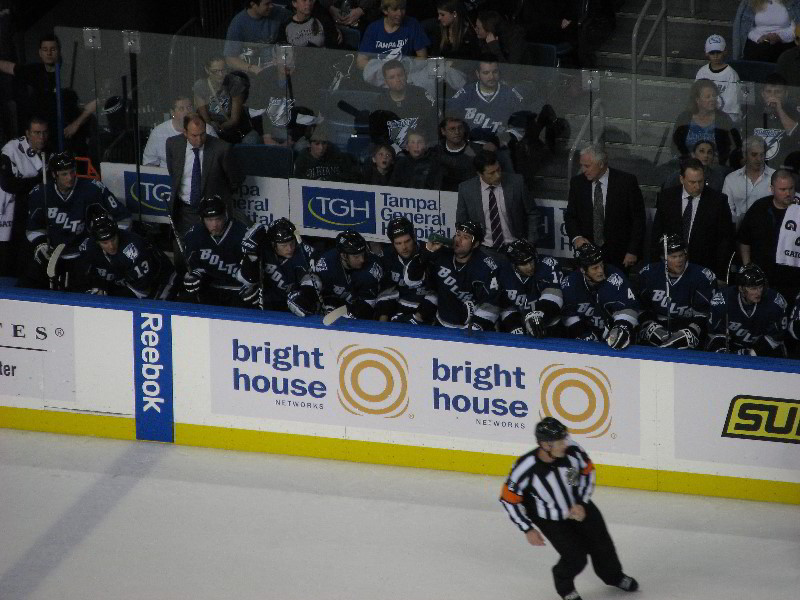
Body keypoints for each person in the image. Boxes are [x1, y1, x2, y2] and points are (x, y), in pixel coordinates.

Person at [499, 416, 639, 600]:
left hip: (579, 506)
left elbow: (588, 472)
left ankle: (613, 576)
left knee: (603, 545)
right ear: (545, 445)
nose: (565, 443)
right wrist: (527, 528)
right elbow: (508, 499)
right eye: (560, 441)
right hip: (550, 518)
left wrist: (582, 501)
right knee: (575, 557)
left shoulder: (573, 450)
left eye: (565, 438)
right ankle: (565, 588)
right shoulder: (525, 467)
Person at [24, 151, 130, 290]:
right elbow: (33, 228)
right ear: (54, 175)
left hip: (85, 255)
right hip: (53, 256)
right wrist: (41, 244)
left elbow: (124, 218)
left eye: (72, 172)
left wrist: (103, 242)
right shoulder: (40, 193)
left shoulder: (92, 189)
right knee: (28, 284)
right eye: (64, 174)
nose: (70, 177)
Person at [0, 33, 96, 154]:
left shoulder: (73, 74)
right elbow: (9, 67)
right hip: (46, 138)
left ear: (59, 51)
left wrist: (76, 124)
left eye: (53, 49)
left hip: (70, 137)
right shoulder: (35, 71)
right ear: (40, 53)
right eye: (45, 50)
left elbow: (96, 101)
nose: (49, 53)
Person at [405, 220, 502, 330]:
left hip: (471, 330)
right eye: (458, 234)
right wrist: (427, 252)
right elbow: (411, 280)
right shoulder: (441, 255)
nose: (458, 240)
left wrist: (474, 327)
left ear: (475, 244)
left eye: (465, 237)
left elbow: (492, 306)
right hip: (441, 324)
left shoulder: (485, 267)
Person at [564, 143, 646, 270]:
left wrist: (633, 251)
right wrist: (577, 237)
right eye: (582, 165)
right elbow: (571, 216)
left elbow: (638, 219)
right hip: (587, 253)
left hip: (619, 254)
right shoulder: (577, 183)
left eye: (587, 166)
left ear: (601, 164)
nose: (583, 169)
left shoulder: (626, 182)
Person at [651, 158, 735, 278]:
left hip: (704, 267)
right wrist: (655, 266)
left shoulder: (718, 201)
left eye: (700, 181)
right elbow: (657, 233)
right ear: (682, 179)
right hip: (670, 267)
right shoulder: (667, 197)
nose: (697, 186)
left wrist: (720, 274)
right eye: (692, 182)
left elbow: (725, 240)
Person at [166, 113, 243, 236]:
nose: (199, 139)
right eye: (194, 135)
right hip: (184, 211)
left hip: (213, 212)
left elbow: (235, 179)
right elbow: (173, 173)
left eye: (202, 134)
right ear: (185, 133)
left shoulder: (221, 148)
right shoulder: (173, 144)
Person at [637, 234, 717, 349]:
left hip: (689, 325)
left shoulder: (702, 277)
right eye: (673, 257)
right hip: (657, 324)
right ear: (662, 257)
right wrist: (650, 324)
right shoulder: (648, 274)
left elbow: (706, 315)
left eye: (681, 255)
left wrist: (690, 330)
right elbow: (641, 308)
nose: (679, 260)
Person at [78, 206, 176, 300]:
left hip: (161, 281)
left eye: (113, 239)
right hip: (124, 284)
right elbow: (89, 277)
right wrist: (98, 287)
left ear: (117, 233)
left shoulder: (133, 249)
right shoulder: (88, 248)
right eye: (105, 242)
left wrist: (109, 294)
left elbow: (144, 291)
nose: (111, 246)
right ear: (96, 241)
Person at [288, 230, 384, 319]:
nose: (362, 260)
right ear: (343, 256)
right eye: (356, 256)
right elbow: (314, 281)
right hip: (333, 301)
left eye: (363, 254)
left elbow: (368, 305)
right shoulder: (327, 262)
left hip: (359, 308)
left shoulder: (371, 268)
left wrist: (348, 313)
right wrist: (305, 296)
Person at [560, 242, 640, 350]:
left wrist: (621, 327)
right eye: (595, 268)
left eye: (601, 265)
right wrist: (582, 333)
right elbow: (568, 314)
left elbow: (629, 308)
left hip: (613, 335)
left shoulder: (615, 278)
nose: (601, 271)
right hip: (588, 335)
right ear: (583, 270)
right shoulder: (571, 283)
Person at [456, 149, 539, 250]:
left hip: (515, 246)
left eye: (498, 169)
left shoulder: (517, 183)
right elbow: (462, 222)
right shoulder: (466, 189)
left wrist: (530, 242)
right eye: (491, 173)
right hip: (483, 249)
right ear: (479, 174)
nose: (497, 175)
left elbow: (532, 212)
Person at [737, 168, 800, 302]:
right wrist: (748, 268)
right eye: (783, 190)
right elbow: (744, 240)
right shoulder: (759, 208)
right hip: (764, 280)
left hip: (794, 279)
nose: (788, 193)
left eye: (791, 188)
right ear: (772, 189)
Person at [181, 195, 251, 307]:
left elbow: (253, 269)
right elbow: (193, 267)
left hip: (237, 290)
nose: (214, 225)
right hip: (210, 288)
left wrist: (252, 284)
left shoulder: (242, 234)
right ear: (202, 219)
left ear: (225, 216)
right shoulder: (193, 235)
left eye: (218, 219)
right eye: (209, 220)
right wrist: (193, 276)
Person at [0, 116, 48, 276]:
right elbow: (8, 184)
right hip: (11, 209)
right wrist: (36, 181)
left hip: (35, 207)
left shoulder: (49, 151)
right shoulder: (11, 150)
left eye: (44, 133)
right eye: (36, 133)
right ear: (27, 133)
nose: (41, 137)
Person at [707, 263, 788, 356]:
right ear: (741, 288)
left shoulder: (775, 303)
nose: (758, 292)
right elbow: (716, 335)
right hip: (733, 348)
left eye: (760, 286)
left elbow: (776, 338)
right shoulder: (722, 301)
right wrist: (725, 353)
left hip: (765, 351)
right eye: (753, 288)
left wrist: (751, 353)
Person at [238, 217, 315, 311]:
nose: (290, 249)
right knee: (248, 294)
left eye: (292, 243)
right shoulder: (263, 249)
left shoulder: (303, 252)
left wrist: (304, 297)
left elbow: (312, 281)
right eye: (284, 245)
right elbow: (247, 279)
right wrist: (251, 253)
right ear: (273, 244)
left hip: (291, 305)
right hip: (268, 302)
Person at [447, 55, 525, 145]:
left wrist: (502, 141)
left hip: (498, 147)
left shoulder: (510, 95)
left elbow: (520, 129)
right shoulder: (465, 93)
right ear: (478, 74)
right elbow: (449, 120)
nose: (491, 77)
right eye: (486, 73)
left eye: (495, 72)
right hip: (468, 146)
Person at [497, 239, 563, 336]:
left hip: (548, 320)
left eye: (531, 261)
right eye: (523, 264)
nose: (530, 266)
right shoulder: (502, 272)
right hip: (518, 318)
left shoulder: (548, 264)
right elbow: (502, 306)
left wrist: (538, 314)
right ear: (513, 265)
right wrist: (513, 325)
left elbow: (555, 297)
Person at [672, 79, 741, 168]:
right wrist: (688, 159)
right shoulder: (684, 118)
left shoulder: (724, 119)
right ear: (697, 100)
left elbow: (735, 146)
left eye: (714, 96)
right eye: (708, 97)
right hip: (687, 167)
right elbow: (675, 147)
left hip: (716, 168)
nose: (712, 99)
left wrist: (719, 160)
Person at [376, 217, 432, 322]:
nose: (404, 247)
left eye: (407, 241)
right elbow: (386, 291)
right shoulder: (387, 257)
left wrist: (418, 317)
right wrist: (382, 321)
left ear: (414, 237)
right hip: (399, 309)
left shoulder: (428, 253)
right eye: (398, 243)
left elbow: (438, 293)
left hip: (427, 311)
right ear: (392, 243)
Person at [371, 59, 436, 150]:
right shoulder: (380, 102)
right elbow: (377, 135)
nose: (397, 80)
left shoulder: (421, 95)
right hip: (392, 154)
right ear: (385, 81)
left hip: (420, 150)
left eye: (400, 75)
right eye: (392, 77)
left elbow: (433, 126)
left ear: (406, 75)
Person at [193, 57, 258, 144]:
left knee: (251, 141)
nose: (220, 74)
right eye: (215, 71)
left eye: (223, 70)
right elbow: (204, 116)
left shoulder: (235, 83)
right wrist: (212, 128)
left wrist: (220, 127)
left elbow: (234, 120)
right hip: (213, 129)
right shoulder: (200, 86)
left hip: (238, 130)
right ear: (207, 70)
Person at [745, 73, 800, 171]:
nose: (773, 96)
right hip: (757, 168)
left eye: (778, 92)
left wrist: (779, 109)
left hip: (784, 169)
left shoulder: (793, 111)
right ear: (763, 93)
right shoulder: (754, 112)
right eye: (769, 91)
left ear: (786, 93)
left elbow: (796, 133)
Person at [142, 97, 216, 167]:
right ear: (172, 112)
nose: (187, 111)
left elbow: (217, 159)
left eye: (189, 107)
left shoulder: (207, 130)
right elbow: (149, 163)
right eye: (181, 109)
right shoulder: (158, 132)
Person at [356, 0, 430, 70]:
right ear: (385, 11)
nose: (400, 13)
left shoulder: (413, 25)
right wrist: (384, 69)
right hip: (379, 75)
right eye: (395, 9)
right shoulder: (373, 28)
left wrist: (404, 69)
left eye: (402, 9)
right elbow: (361, 61)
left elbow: (422, 57)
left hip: (404, 75)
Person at [224, 0, 292, 75]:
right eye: (267, 4)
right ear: (253, 4)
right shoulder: (238, 24)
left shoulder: (279, 13)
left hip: (277, 67)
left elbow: (296, 20)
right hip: (254, 70)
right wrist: (252, 68)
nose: (271, 6)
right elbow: (230, 59)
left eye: (271, 2)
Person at [722, 135, 775, 229]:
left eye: (762, 155)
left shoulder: (775, 177)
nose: (759, 159)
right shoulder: (731, 179)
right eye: (754, 154)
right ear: (744, 155)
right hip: (739, 230)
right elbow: (726, 209)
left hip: (768, 230)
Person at [695, 34, 742, 124]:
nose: (715, 56)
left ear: (724, 52)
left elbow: (732, 106)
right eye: (712, 53)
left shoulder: (731, 74)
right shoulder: (702, 72)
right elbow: (696, 97)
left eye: (718, 52)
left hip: (725, 120)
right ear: (707, 53)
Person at [734, 0, 800, 63]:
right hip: (758, 41)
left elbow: (796, 27)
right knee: (761, 50)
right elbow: (746, 28)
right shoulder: (750, 2)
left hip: (785, 40)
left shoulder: (794, 2)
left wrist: (780, 36)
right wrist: (759, 37)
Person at [293, 122, 360, 182]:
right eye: (317, 144)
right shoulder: (302, 160)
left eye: (324, 143)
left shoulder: (337, 157)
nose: (321, 147)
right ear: (309, 144)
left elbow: (350, 177)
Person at [660, 140, 727, 193]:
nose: (706, 155)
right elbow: (666, 197)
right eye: (701, 151)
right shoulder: (677, 176)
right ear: (693, 154)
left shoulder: (718, 178)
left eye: (709, 152)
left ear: (713, 156)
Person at [433, 117, 477, 192]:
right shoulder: (435, 151)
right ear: (443, 131)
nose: (457, 132)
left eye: (460, 128)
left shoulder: (475, 151)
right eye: (452, 129)